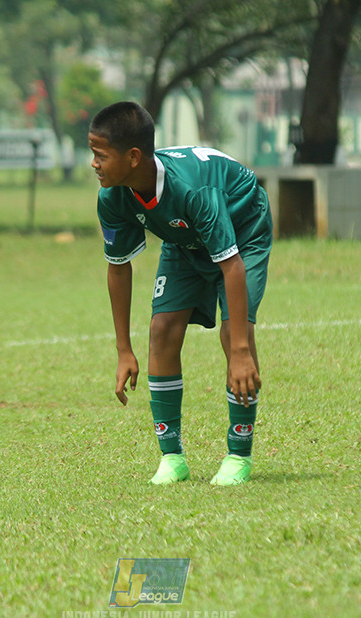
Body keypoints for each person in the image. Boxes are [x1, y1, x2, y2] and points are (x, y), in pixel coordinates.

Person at [88, 101, 273, 486]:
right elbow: (118, 268)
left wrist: (240, 352)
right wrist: (124, 348)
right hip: (184, 238)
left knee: (235, 332)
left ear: (134, 157)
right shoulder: (113, 197)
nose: (94, 164)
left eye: (101, 155)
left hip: (243, 231)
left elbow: (231, 266)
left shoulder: (193, 189)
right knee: (162, 329)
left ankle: (238, 455)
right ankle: (172, 458)